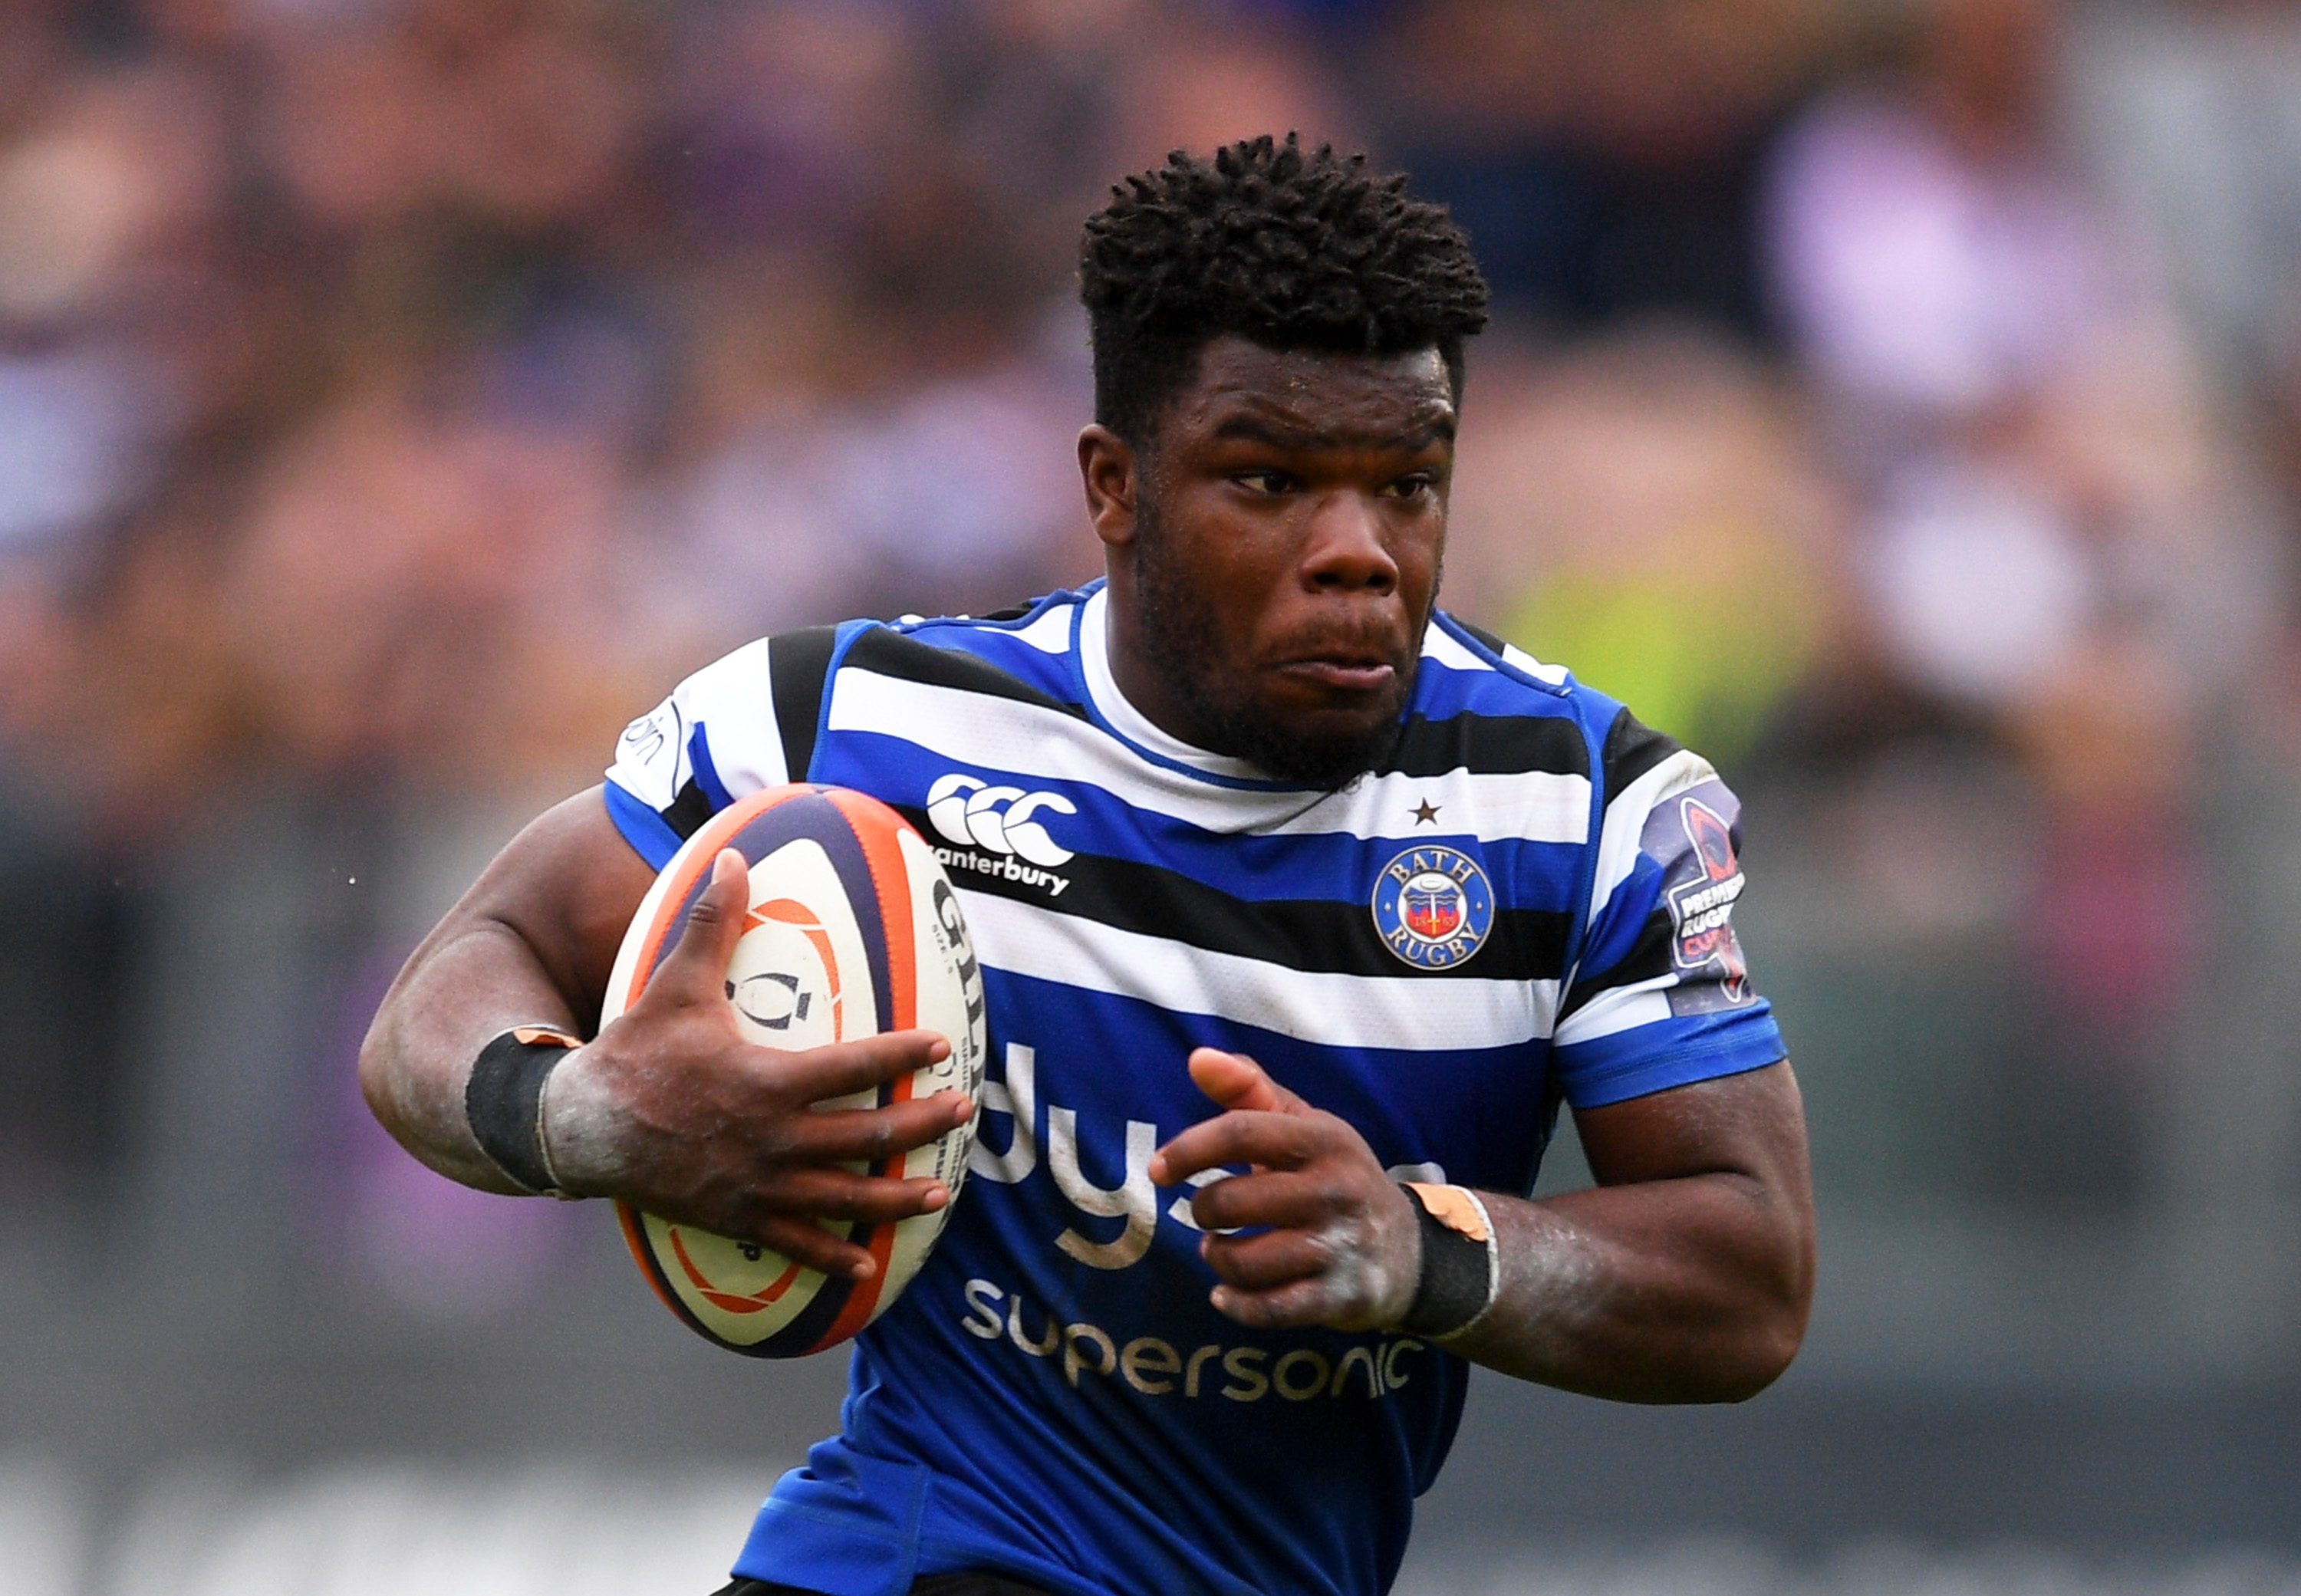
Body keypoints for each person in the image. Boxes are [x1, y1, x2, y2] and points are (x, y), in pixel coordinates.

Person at [360, 134, 1815, 1596]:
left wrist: (1424, 1249)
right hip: (904, 1558)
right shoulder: (850, 726)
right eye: (1272, 481)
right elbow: (448, 993)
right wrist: (585, 1111)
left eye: (1409, 485)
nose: (1360, 552)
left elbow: (1750, 1278)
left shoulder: (1589, 807)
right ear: (1116, 486)